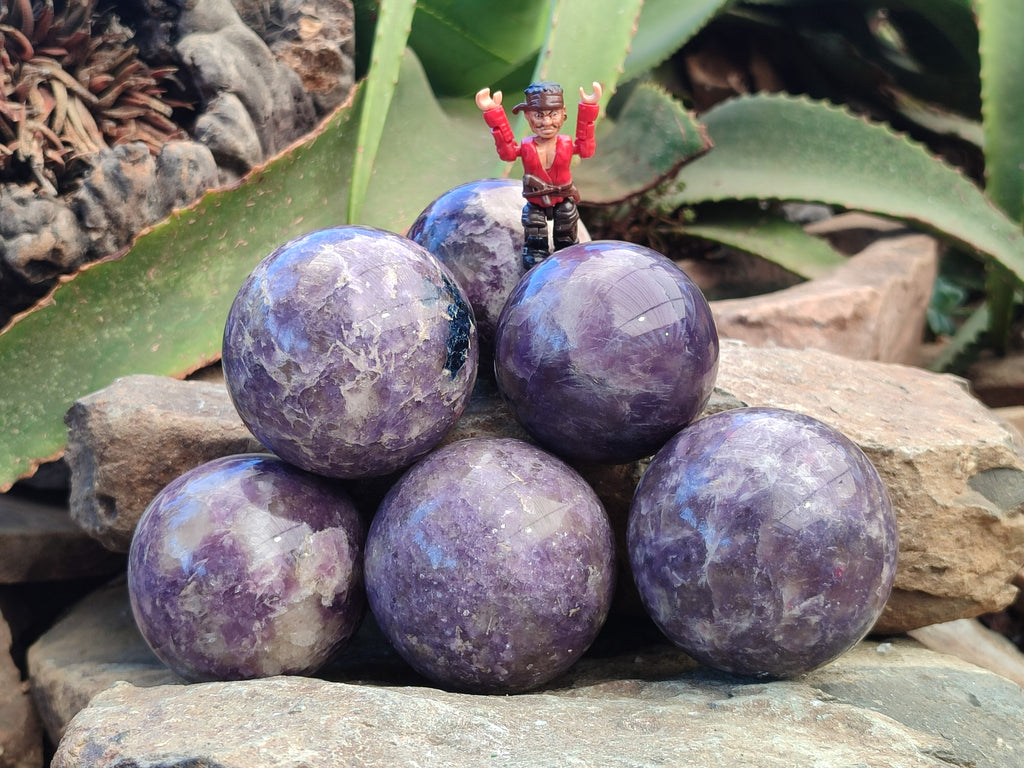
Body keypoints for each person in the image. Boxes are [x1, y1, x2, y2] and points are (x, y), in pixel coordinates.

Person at [476, 81, 602, 267]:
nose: (547, 122)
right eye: (538, 115)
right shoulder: (527, 146)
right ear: (528, 116)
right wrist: (494, 112)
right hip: (535, 201)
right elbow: (508, 152)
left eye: (553, 114)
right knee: (535, 239)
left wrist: (588, 107)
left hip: (563, 199)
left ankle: (567, 259)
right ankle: (536, 261)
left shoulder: (566, 143)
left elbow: (586, 149)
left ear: (563, 113)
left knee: (566, 236)